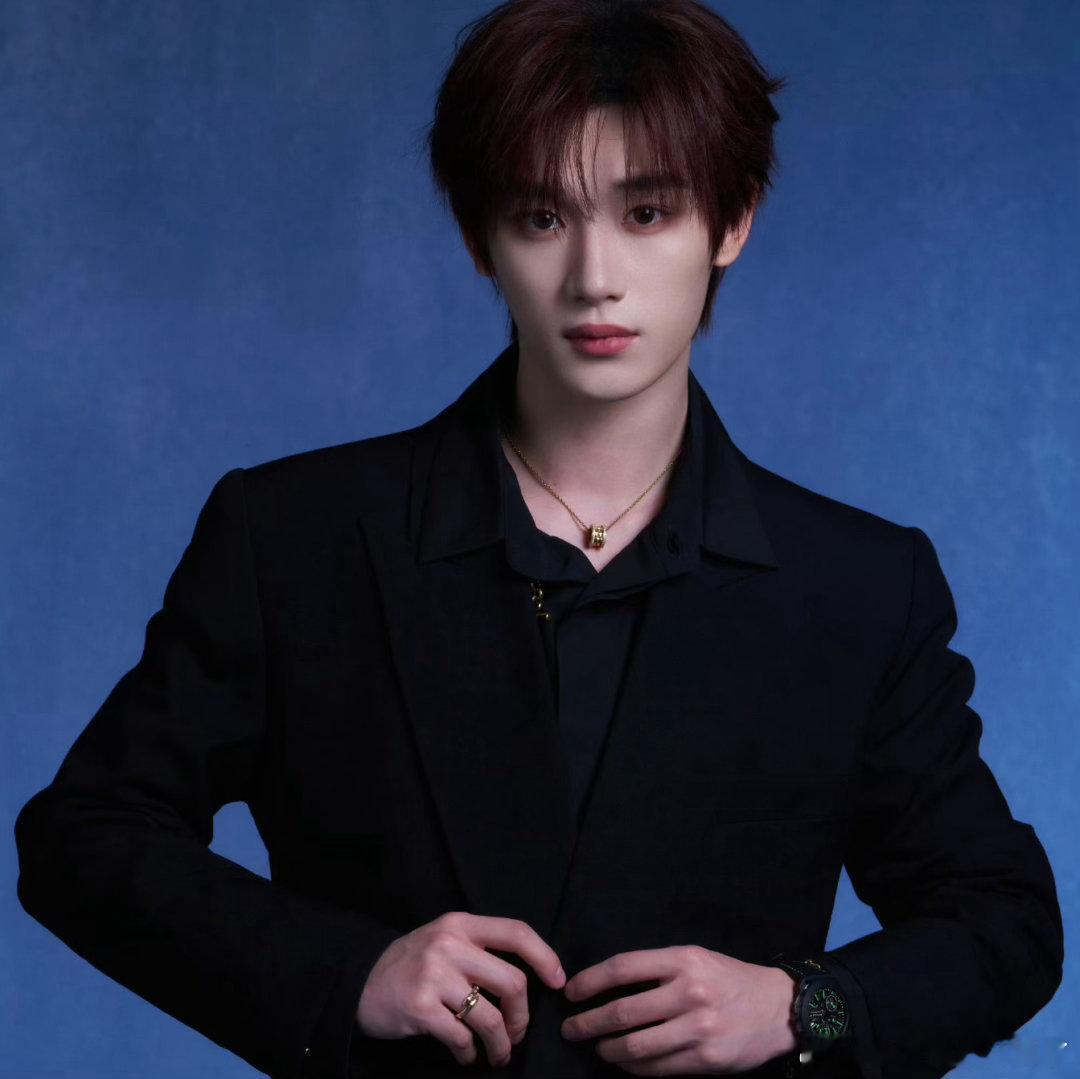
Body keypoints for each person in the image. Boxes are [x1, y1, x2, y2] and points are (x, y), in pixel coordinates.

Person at [14, 2, 1063, 1078]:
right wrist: (345, 972)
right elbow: (83, 835)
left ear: (732, 220)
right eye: (542, 216)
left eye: (648, 211)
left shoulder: (859, 585)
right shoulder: (294, 537)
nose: (594, 275)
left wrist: (804, 1005)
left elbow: (1005, 921)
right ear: (481, 240)